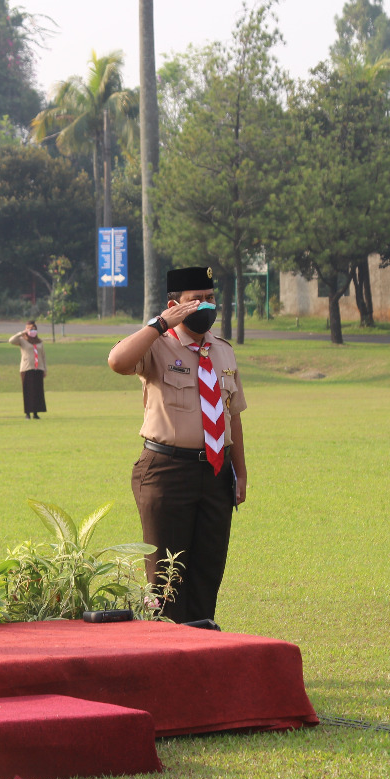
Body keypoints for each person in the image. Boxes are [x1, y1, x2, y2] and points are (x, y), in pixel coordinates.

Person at [107, 266, 248, 625]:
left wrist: (240, 473)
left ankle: (203, 645)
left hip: (216, 472)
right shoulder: (157, 345)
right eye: (196, 300)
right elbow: (117, 361)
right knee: (166, 578)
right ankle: (168, 648)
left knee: (207, 572)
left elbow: (232, 416)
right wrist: (159, 325)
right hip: (166, 472)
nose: (206, 306)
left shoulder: (222, 350)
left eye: (211, 298)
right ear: (174, 305)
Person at [8, 321, 47, 419]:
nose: (33, 331)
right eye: (31, 329)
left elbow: (43, 356)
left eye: (34, 329)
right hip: (27, 368)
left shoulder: (39, 342)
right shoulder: (22, 340)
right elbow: (11, 340)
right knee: (28, 391)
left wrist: (44, 369)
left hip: (38, 368)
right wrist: (22, 333)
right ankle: (28, 413)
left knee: (37, 391)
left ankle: (36, 413)